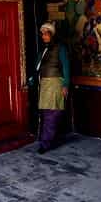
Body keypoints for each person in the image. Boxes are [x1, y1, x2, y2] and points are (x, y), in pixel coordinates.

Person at [33, 22, 70, 154]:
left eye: (45, 34)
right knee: (46, 114)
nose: (43, 36)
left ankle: (45, 143)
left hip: (55, 84)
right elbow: (37, 68)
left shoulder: (61, 48)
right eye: (42, 34)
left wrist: (65, 85)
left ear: (51, 34)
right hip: (44, 85)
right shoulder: (44, 50)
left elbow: (66, 67)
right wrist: (31, 80)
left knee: (52, 114)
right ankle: (46, 140)